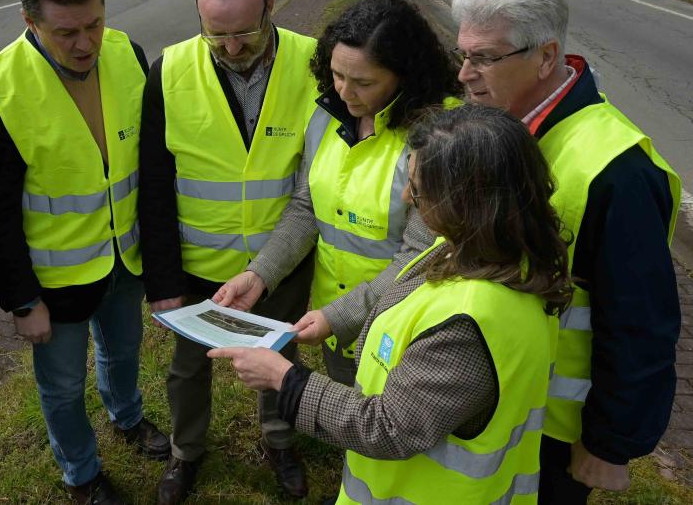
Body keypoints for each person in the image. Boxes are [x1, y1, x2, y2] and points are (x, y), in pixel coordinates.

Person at [212, 104, 572, 504]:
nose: (406, 196)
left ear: (465, 199)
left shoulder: (467, 324)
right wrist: (333, 318)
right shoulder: (484, 251)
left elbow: (389, 428)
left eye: (417, 189)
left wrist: (285, 379)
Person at [451, 0, 681, 502]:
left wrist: (610, 443)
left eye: (484, 57)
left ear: (546, 57)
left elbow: (641, 322)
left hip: (553, 431)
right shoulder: (491, 125)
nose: (464, 74)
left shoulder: (617, 170)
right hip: (482, 403)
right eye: (462, 53)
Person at [0, 0, 168, 505]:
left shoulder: (128, 53)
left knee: (124, 354)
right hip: (54, 282)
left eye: (94, 24)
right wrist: (23, 303)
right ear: (30, 21)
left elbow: (143, 167)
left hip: (125, 259)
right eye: (65, 33)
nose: (85, 44)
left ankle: (127, 418)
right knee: (63, 386)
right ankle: (81, 474)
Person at [139, 0, 318, 502]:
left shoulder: (313, 62)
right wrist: (164, 283)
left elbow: (317, 181)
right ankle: (186, 452)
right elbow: (153, 184)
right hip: (197, 267)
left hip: (281, 259)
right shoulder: (168, 70)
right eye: (217, 35)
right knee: (188, 370)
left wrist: (274, 265)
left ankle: (279, 439)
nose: (233, 47)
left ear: (272, 7)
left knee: (280, 357)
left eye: (246, 31)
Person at [213, 0, 463, 386]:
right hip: (338, 323)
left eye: (364, 82)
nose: (345, 92)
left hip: (406, 325)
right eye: (336, 75)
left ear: (405, 75)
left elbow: (421, 256)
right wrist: (259, 274)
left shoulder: (440, 135)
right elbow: (305, 207)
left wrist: (339, 316)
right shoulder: (326, 116)